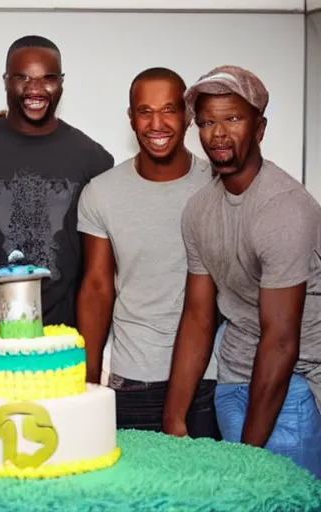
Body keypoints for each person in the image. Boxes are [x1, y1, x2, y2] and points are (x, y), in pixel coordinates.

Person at [162, 65, 321, 477]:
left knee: (278, 499)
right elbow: (198, 314)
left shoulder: (284, 208)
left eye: (232, 118)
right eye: (208, 121)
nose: (218, 133)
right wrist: (174, 417)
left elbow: (282, 341)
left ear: (260, 128)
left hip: (294, 385)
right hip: (232, 381)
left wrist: (247, 457)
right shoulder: (199, 210)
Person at [0, 36, 113, 389]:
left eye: (47, 78)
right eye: (22, 78)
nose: (35, 88)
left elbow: (100, 272)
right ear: (5, 81)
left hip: (61, 350)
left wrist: (90, 367)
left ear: (61, 82)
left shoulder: (93, 159)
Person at [74, 67, 219, 437]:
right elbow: (96, 287)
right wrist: (90, 384)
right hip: (131, 379)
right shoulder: (101, 192)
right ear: (131, 117)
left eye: (169, 110)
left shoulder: (217, 185)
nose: (157, 124)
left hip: (210, 378)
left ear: (187, 115)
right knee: (128, 494)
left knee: (204, 493)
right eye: (145, 111)